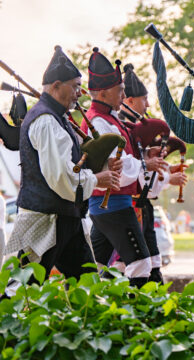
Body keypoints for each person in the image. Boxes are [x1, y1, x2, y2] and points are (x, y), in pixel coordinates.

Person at [4, 46, 120, 285]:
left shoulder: (58, 118)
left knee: (87, 286)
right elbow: (60, 177)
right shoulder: (46, 120)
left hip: (66, 217)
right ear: (56, 86)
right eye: (75, 86)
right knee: (22, 290)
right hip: (43, 220)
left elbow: (75, 162)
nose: (79, 93)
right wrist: (98, 179)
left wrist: (100, 164)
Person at [83, 48, 167, 287]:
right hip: (112, 204)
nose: (122, 94)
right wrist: (144, 163)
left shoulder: (108, 118)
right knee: (141, 263)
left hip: (109, 205)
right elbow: (115, 162)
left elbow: (125, 154)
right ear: (101, 92)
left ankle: (97, 310)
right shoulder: (97, 120)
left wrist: (145, 155)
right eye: (119, 90)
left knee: (96, 265)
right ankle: (136, 317)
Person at [118, 63, 187, 283]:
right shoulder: (122, 128)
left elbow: (143, 165)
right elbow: (135, 174)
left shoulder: (133, 128)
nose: (147, 105)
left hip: (140, 208)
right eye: (143, 100)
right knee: (132, 269)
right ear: (129, 101)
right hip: (127, 207)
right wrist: (168, 178)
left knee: (150, 269)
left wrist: (158, 163)